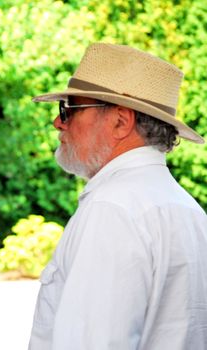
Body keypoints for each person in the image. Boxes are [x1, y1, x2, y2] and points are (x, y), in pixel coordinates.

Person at [28, 43, 207, 349]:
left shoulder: (112, 208)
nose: (58, 122)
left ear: (121, 122)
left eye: (68, 110)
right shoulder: (188, 210)